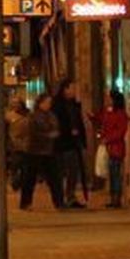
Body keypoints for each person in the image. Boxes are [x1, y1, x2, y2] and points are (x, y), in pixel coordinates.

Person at [19, 93, 65, 210]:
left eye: (50, 102)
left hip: (49, 151)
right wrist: (48, 135)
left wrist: (54, 134)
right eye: (46, 102)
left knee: (54, 178)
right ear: (40, 103)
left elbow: (56, 128)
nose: (48, 105)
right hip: (35, 150)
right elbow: (33, 132)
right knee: (30, 178)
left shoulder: (51, 116)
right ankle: (26, 202)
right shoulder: (34, 116)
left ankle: (59, 202)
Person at [53, 78, 88, 207]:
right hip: (62, 144)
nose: (74, 91)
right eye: (72, 88)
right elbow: (57, 124)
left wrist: (82, 141)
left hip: (73, 144)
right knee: (63, 172)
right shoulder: (58, 105)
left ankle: (70, 196)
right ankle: (63, 197)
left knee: (73, 171)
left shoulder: (73, 105)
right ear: (65, 89)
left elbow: (79, 123)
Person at [92, 90, 129, 208]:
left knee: (116, 174)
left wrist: (108, 139)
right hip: (109, 147)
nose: (107, 100)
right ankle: (113, 198)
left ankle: (116, 199)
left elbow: (120, 131)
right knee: (112, 174)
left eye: (109, 98)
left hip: (116, 148)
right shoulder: (107, 111)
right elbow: (101, 121)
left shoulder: (120, 114)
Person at [7, 97, 32, 192]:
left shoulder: (27, 115)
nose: (15, 105)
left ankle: (21, 181)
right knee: (16, 164)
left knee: (25, 166)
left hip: (26, 145)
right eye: (13, 103)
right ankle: (16, 181)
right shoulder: (8, 116)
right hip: (15, 146)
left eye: (17, 103)